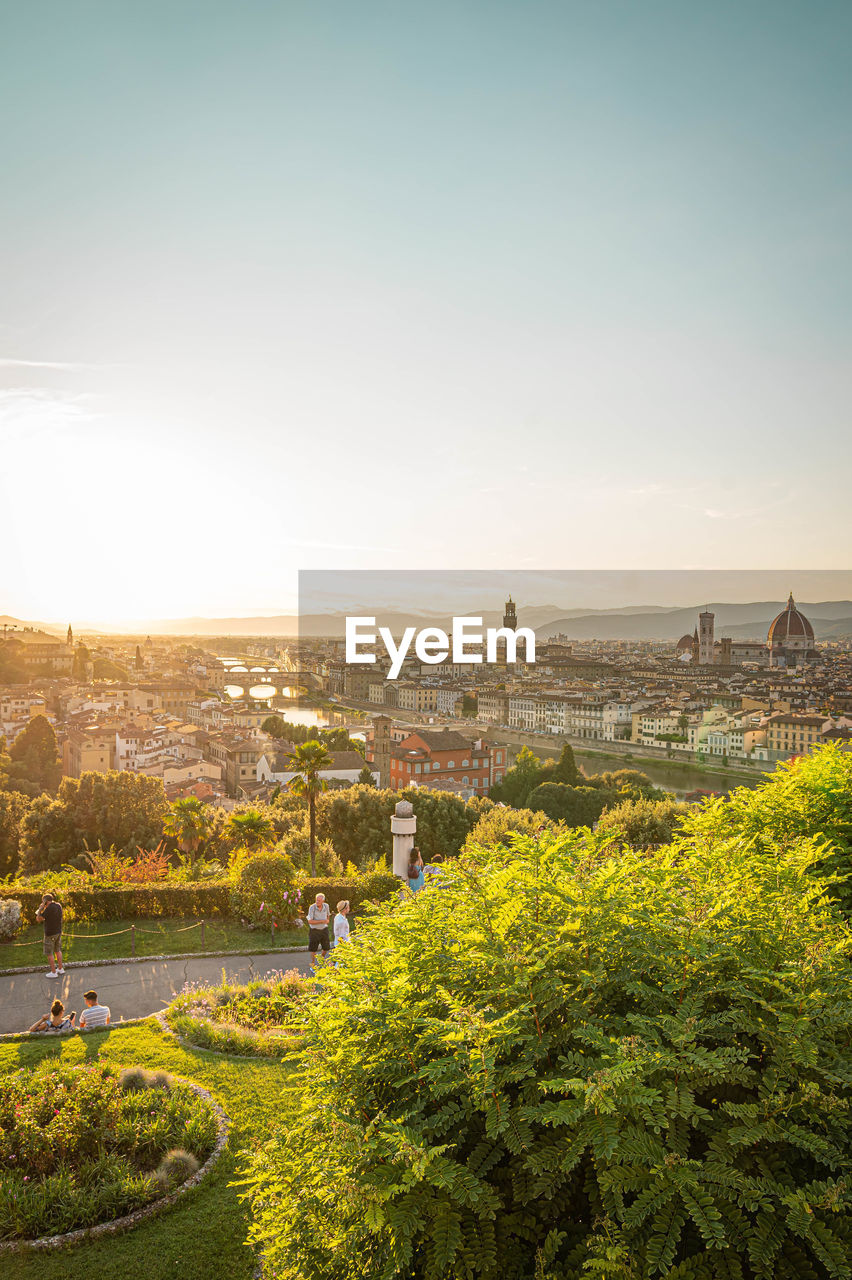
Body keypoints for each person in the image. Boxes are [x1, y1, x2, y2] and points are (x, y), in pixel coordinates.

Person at [35, 892, 64, 978]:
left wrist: (40, 909)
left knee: (49, 953)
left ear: (45, 901)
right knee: (57, 950)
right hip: (58, 931)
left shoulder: (48, 909)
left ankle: (53, 972)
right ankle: (60, 968)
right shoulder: (58, 905)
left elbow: (38, 919)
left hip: (50, 933)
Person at [306, 893, 331, 963]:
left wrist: (327, 920)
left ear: (323, 901)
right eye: (316, 900)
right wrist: (322, 921)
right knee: (313, 949)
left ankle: (321, 959)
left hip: (324, 930)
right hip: (314, 931)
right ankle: (313, 963)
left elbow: (328, 915)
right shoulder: (312, 907)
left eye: (319, 901)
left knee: (326, 947)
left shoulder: (326, 906)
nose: (317, 902)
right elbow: (310, 921)